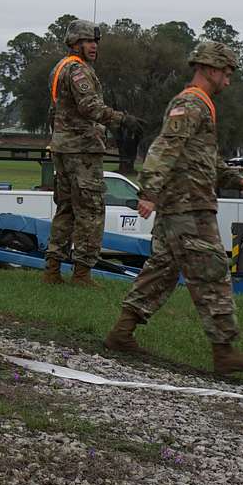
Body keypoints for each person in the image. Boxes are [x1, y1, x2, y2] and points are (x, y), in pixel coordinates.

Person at [104, 40, 243, 375]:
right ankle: (224, 352)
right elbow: (165, 148)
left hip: (180, 206)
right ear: (209, 69)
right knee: (212, 272)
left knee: (161, 271)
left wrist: (237, 180)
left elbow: (202, 158)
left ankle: (121, 333)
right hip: (189, 208)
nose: (228, 80)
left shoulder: (200, 105)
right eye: (226, 72)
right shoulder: (191, 103)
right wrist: (148, 192)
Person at [43, 18, 140, 287]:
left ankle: (52, 270)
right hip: (82, 151)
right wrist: (122, 119)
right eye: (88, 41)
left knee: (65, 209)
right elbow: (90, 107)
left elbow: (55, 111)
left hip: (63, 148)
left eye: (95, 41)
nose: (94, 46)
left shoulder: (59, 68)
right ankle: (82, 273)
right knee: (91, 210)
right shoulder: (78, 70)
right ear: (75, 43)